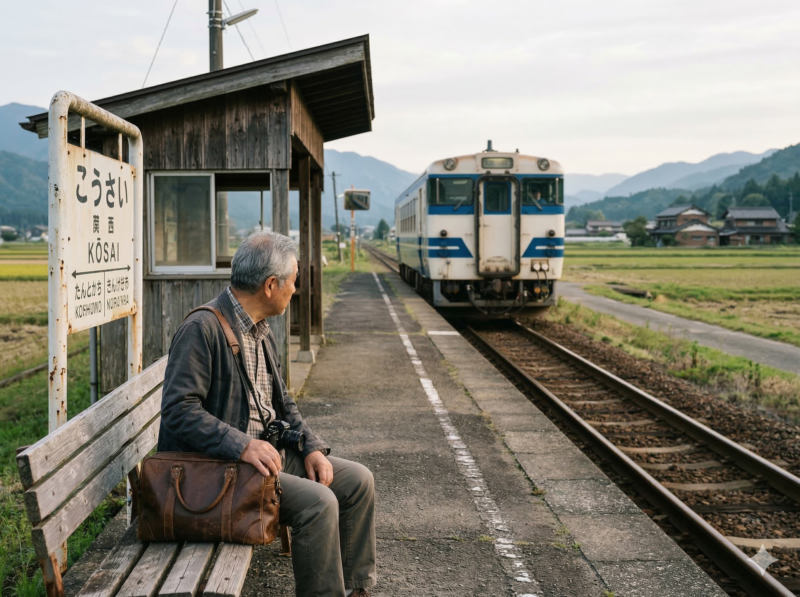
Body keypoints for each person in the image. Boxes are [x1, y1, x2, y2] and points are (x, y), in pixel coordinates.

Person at [158, 231, 376, 597]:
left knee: (357, 481)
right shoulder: (202, 329)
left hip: (264, 459)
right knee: (319, 504)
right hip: (218, 472)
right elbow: (178, 410)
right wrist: (242, 445)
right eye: (293, 280)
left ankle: (356, 590)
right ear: (271, 285)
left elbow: (283, 402)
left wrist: (311, 447)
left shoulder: (260, 328)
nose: (296, 289)